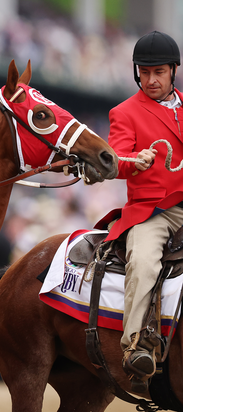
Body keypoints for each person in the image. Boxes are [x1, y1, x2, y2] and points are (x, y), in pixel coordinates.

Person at [101, 30, 183, 392]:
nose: (151, 80)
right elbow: (114, 161)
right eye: (144, 72)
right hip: (154, 211)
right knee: (145, 261)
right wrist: (134, 160)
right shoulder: (124, 112)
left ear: (173, 72)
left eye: (159, 72)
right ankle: (136, 345)